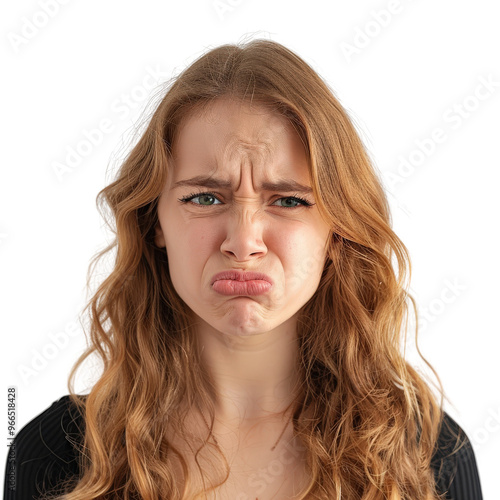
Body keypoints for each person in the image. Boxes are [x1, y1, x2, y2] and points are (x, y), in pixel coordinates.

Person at [4, 39, 483, 500]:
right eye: (206, 198)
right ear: (155, 221)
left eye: (289, 200)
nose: (244, 242)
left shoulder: (429, 454)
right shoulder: (52, 454)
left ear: (338, 231)